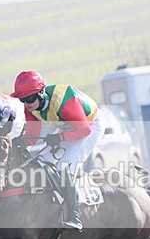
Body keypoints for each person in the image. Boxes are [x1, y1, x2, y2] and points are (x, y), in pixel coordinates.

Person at [10, 70, 104, 230]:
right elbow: (33, 134)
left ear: (41, 93)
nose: (27, 104)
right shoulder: (30, 107)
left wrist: (59, 138)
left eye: (30, 99)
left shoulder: (65, 102)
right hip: (68, 125)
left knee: (64, 167)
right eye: (22, 100)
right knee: (41, 161)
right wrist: (16, 144)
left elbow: (84, 131)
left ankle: (73, 216)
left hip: (90, 126)